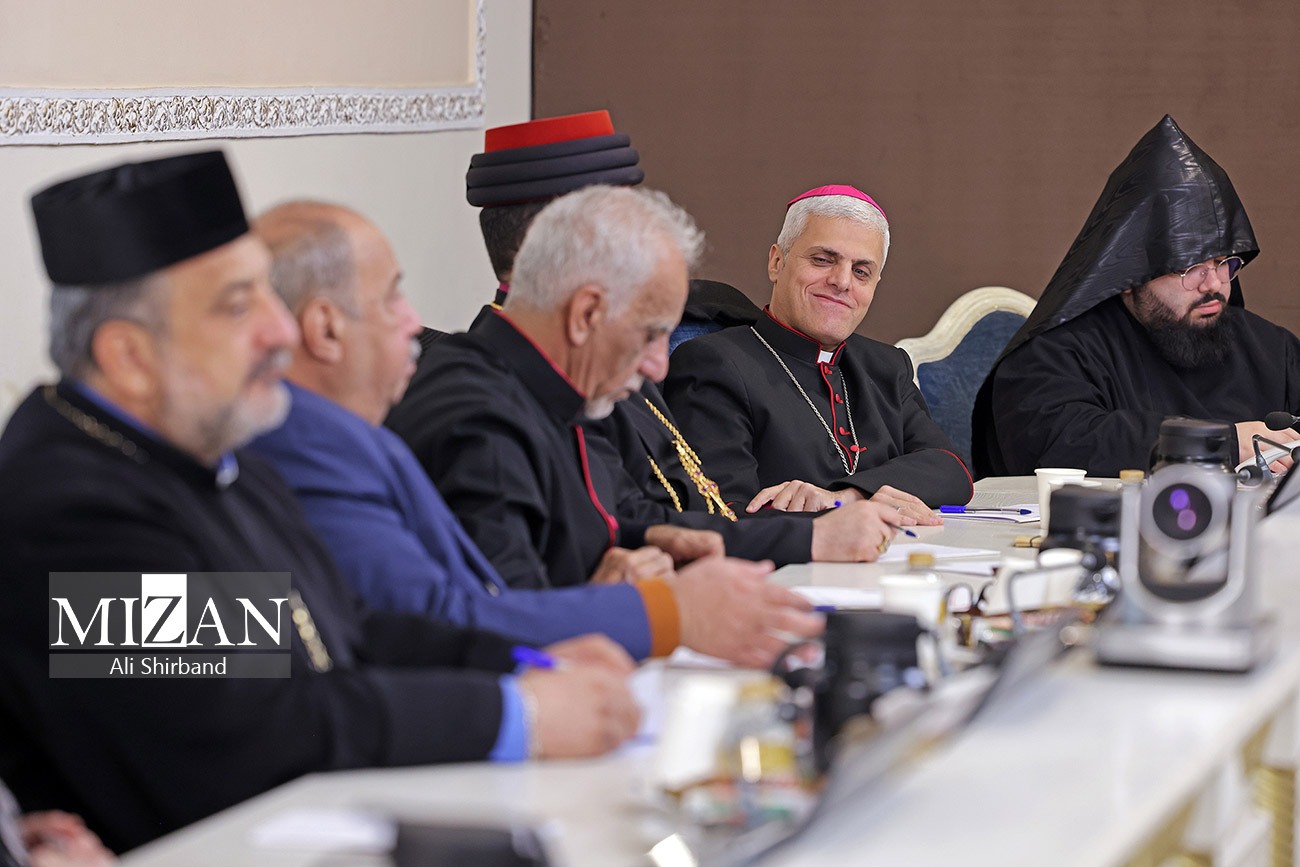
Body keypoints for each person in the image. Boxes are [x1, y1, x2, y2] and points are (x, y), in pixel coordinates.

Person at [0, 152, 639, 853]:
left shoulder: (210, 451)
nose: (280, 329)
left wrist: (527, 661)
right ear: (129, 356)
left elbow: (340, 626)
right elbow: (250, 728)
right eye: (238, 305)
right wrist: (518, 715)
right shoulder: (67, 513)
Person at [249, 200, 809, 665]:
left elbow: (445, 609)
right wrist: (656, 614)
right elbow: (425, 629)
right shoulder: (303, 454)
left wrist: (625, 574)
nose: (414, 321)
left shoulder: (335, 442)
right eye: (392, 297)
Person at [390, 111, 905, 568]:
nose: (660, 363)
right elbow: (507, 604)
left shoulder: (578, 369)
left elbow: (630, 520)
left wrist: (806, 535)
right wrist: (643, 602)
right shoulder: (491, 402)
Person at [972, 115, 1300, 477]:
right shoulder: (1055, 355)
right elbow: (1066, 441)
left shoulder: (1273, 350)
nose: (1213, 284)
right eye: (1190, 268)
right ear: (1130, 277)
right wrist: (1220, 443)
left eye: (1224, 263)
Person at [663, 185, 974, 517]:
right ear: (777, 262)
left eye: (861, 272)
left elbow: (951, 470)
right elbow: (723, 510)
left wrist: (850, 496)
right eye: (823, 260)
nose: (842, 281)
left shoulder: (886, 366)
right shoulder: (714, 363)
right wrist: (846, 514)